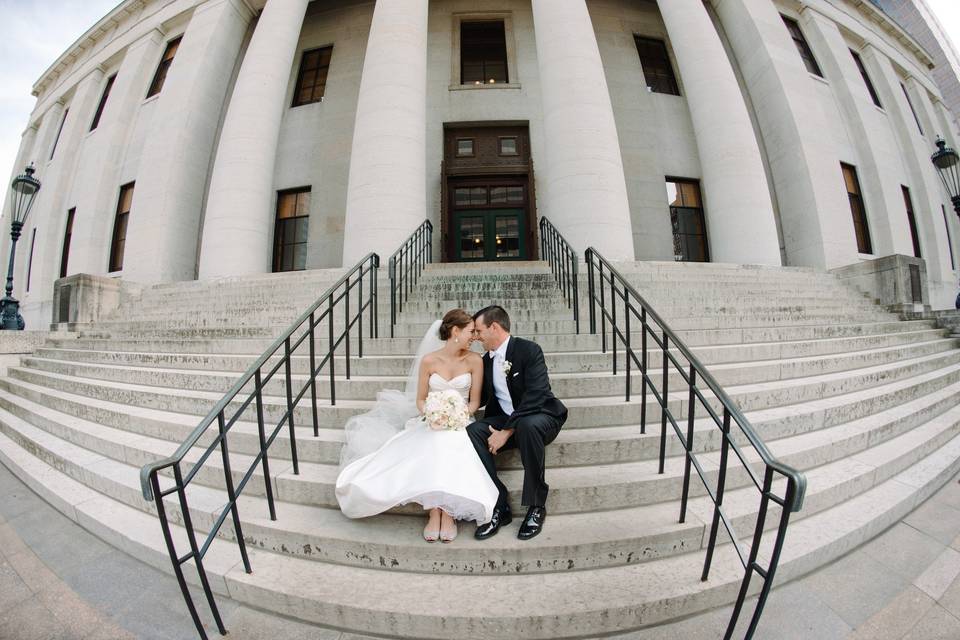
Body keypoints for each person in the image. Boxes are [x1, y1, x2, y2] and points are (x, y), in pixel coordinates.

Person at [335, 309, 498, 542]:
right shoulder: (429, 360)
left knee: (450, 441)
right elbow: (421, 400)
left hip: (460, 420)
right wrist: (434, 415)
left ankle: (447, 513)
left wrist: (457, 416)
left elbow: (473, 402)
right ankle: (434, 511)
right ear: (455, 331)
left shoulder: (474, 361)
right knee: (433, 440)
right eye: (471, 331)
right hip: (432, 419)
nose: (474, 336)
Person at [467, 305, 567, 541]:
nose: (476, 337)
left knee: (528, 425)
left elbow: (537, 395)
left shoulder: (528, 350)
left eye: (479, 331)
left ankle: (536, 506)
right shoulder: (486, 361)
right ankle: (499, 505)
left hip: (541, 416)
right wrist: (448, 405)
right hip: (505, 418)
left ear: (494, 327)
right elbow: (478, 398)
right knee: (472, 432)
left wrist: (506, 430)